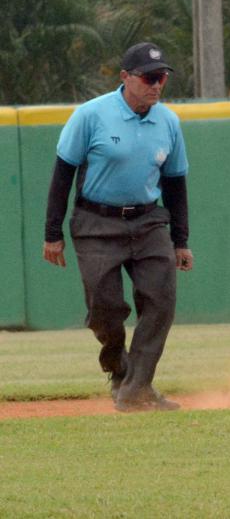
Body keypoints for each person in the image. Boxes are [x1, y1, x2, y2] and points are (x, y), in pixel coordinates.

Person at [43, 42, 193, 413]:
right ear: (125, 77)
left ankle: (137, 388)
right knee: (104, 311)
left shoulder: (168, 122)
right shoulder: (91, 115)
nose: (157, 85)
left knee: (161, 302)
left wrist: (181, 241)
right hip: (96, 222)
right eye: (149, 77)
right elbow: (62, 175)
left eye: (162, 78)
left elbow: (175, 184)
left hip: (148, 221)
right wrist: (52, 233)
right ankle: (120, 369)